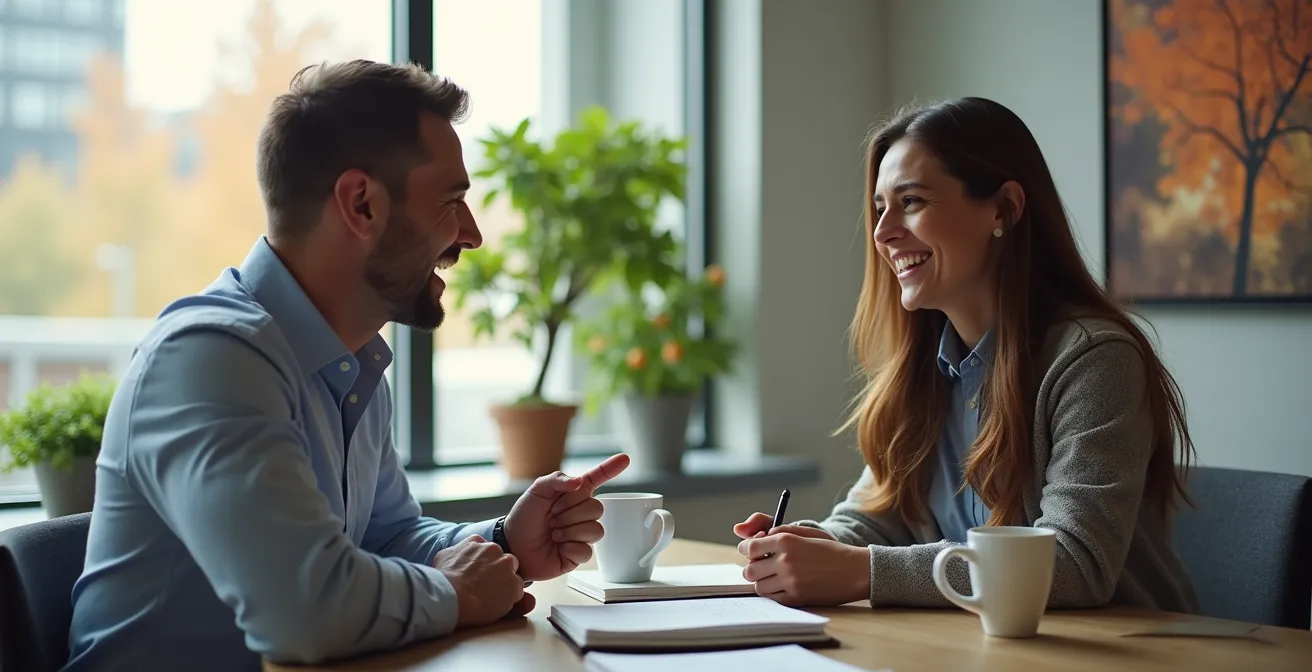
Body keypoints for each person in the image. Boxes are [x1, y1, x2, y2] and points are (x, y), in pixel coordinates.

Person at [64, 60, 630, 671]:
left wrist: (501, 543)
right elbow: (302, 611)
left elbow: (382, 540)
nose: (471, 235)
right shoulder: (209, 358)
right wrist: (458, 592)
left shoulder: (353, 363)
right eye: (451, 202)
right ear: (361, 204)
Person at [732, 97, 1200, 614]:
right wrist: (808, 544)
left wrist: (861, 570)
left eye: (910, 202)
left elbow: (1075, 563)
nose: (883, 232)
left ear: (1004, 208)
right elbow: (879, 514)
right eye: (880, 207)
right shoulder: (922, 370)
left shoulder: (1095, 361)